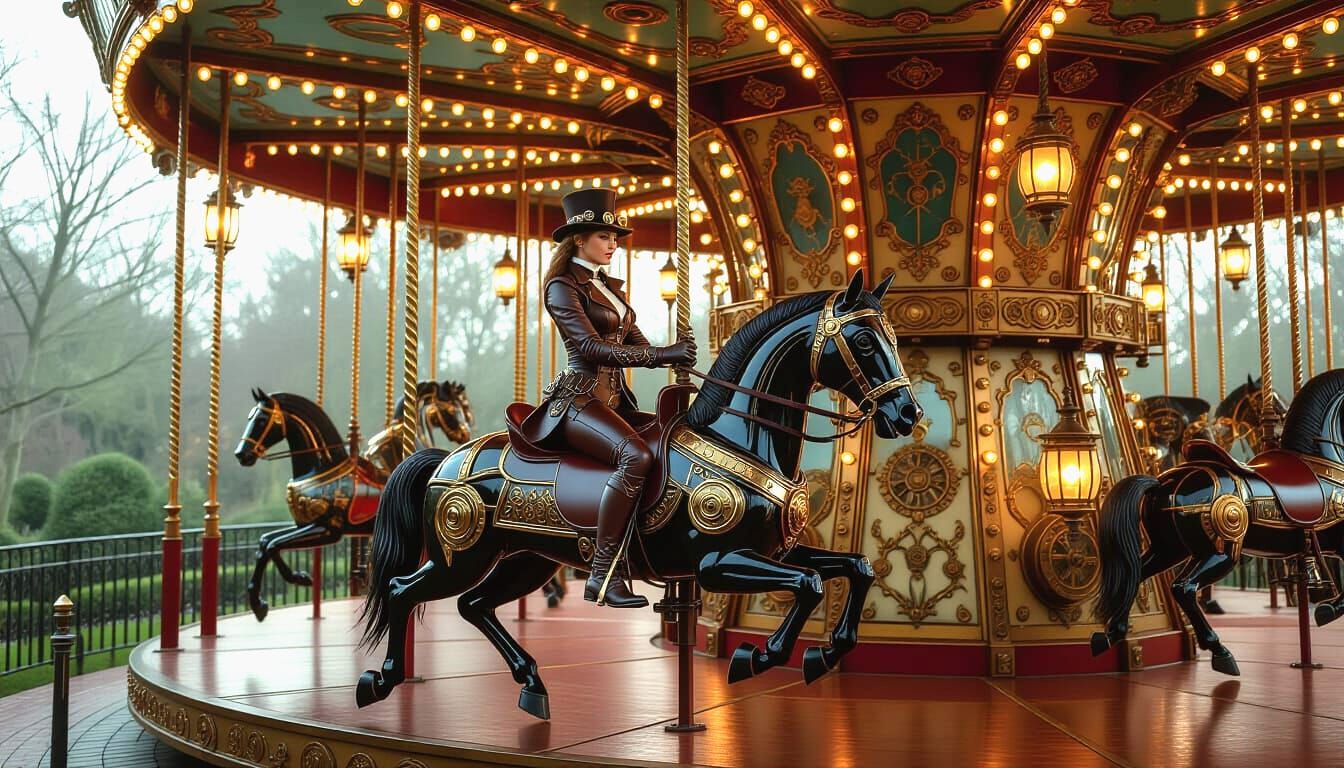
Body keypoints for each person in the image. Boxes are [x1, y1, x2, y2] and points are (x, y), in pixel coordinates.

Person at [518, 188, 695, 608]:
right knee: (636, 456)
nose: (613, 243)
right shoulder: (562, 288)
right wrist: (660, 355)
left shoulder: (609, 289)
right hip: (578, 401)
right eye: (605, 236)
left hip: (615, 402)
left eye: (616, 237)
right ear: (579, 239)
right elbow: (591, 349)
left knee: (675, 444)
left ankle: (663, 553)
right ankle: (602, 574)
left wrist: (675, 353)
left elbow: (638, 342)